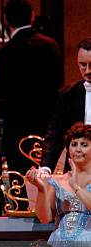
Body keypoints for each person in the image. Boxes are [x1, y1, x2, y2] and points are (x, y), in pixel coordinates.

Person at [0, 0, 62, 175]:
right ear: (32, 16)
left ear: (6, 20)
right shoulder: (50, 46)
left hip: (16, 132)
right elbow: (59, 87)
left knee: (20, 185)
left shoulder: (3, 53)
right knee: (46, 179)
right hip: (47, 128)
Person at [40, 37, 91, 173]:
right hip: (74, 171)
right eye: (82, 65)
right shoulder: (68, 94)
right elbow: (54, 134)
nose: (87, 71)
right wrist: (45, 168)